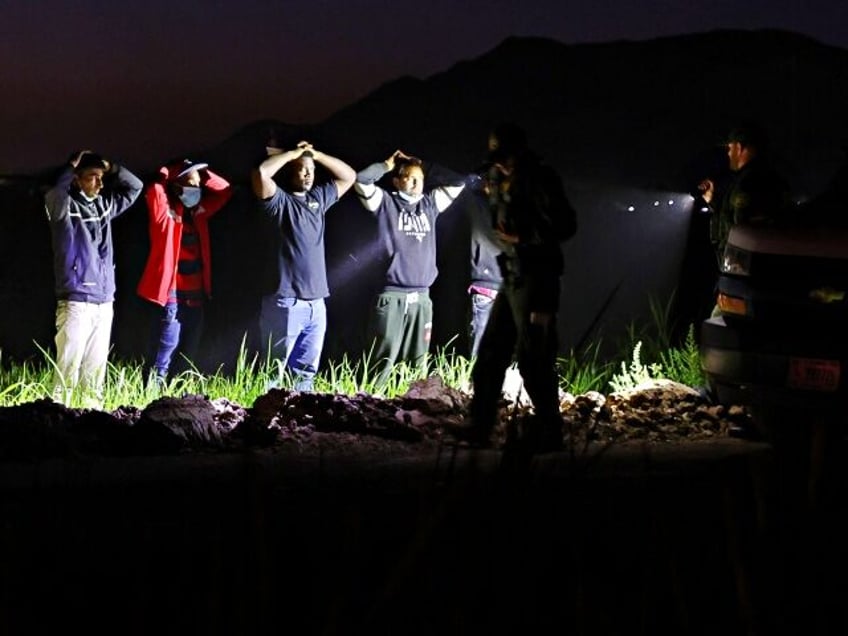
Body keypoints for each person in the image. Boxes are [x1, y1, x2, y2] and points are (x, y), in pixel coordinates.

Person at [452, 123, 577, 452]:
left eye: (506, 158)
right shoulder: (496, 176)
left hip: (539, 277)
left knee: (534, 356)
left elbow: (566, 225)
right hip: (511, 277)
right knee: (492, 352)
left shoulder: (541, 179)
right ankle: (480, 426)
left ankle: (550, 431)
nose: (501, 164)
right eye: (497, 159)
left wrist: (524, 237)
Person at [353, 150, 467, 390]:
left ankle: (412, 414)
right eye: (409, 177)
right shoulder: (385, 202)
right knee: (381, 361)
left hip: (422, 297)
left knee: (417, 363)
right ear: (397, 181)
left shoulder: (429, 204)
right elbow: (361, 179)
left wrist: (424, 163)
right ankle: (371, 407)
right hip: (392, 295)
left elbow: (459, 181)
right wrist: (386, 165)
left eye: (420, 179)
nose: (416, 183)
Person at [251, 140, 356, 391]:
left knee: (306, 374)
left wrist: (316, 155)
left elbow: (349, 176)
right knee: (273, 373)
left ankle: (298, 425)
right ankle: (263, 423)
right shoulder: (280, 202)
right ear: (290, 170)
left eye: (312, 169)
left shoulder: (318, 200)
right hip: (285, 300)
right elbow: (261, 174)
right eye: (302, 168)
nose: (309, 173)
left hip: (316, 301)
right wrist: (293, 154)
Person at [44, 150, 143, 407]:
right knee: (68, 367)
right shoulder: (64, 207)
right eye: (92, 177)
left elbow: (135, 187)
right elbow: (55, 194)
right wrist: (71, 167)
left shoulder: (103, 206)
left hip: (103, 300)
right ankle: (58, 419)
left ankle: (93, 421)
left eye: (101, 177)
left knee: (95, 371)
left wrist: (111, 167)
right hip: (76, 300)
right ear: (77, 180)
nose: (99, 183)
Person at [136, 159, 233, 385]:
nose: (197, 188)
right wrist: (168, 172)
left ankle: (177, 402)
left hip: (196, 298)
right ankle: (149, 401)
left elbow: (224, 191)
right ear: (178, 187)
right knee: (162, 356)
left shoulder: (198, 213)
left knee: (186, 357)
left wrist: (203, 172)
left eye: (199, 184)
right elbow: (154, 189)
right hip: (172, 297)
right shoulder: (166, 213)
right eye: (192, 183)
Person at [697, 122, 793, 314]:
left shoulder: (749, 182)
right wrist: (713, 201)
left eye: (730, 148)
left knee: (720, 327)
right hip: (761, 281)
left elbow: (744, 229)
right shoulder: (765, 178)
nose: (728, 154)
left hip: (748, 282)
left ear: (740, 148)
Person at [466, 187, 503, 359]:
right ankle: (475, 383)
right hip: (486, 285)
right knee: (480, 343)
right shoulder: (477, 202)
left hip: (511, 287)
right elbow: (457, 182)